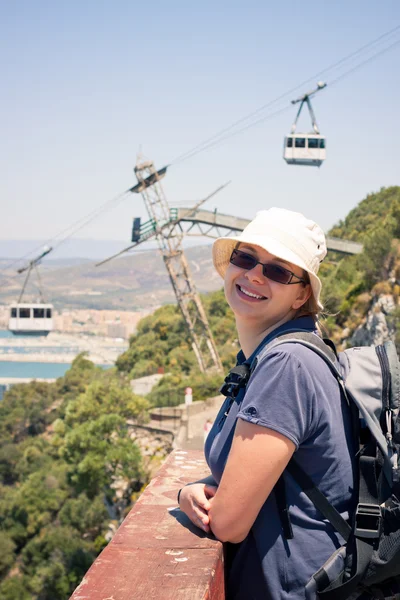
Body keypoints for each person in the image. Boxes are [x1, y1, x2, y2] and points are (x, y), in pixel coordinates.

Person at [177, 207, 357, 600]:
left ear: (302, 293)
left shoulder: (285, 365)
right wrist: (204, 486)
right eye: (245, 258)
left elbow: (228, 523)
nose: (255, 275)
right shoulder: (279, 355)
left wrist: (185, 495)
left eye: (278, 271)